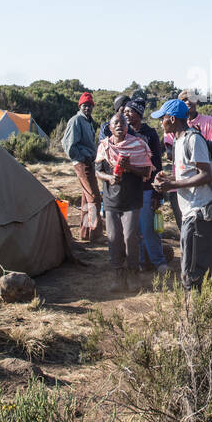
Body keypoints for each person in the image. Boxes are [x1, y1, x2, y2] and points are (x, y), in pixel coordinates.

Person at [152, 98, 212, 288]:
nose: (161, 122)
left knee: (193, 273)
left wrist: (175, 184)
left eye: (162, 118)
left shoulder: (193, 139)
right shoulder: (178, 142)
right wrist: (168, 182)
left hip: (199, 213)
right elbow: (187, 174)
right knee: (188, 269)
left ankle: (196, 313)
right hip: (189, 212)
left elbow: (206, 175)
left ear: (172, 119)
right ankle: (195, 310)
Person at [93, 111, 154, 290]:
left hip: (132, 199)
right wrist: (109, 178)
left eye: (122, 123)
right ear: (110, 128)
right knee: (113, 237)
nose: (119, 125)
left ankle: (134, 275)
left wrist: (130, 167)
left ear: (128, 127)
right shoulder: (104, 146)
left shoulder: (138, 145)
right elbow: (97, 171)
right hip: (111, 200)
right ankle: (118, 276)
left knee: (130, 237)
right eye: (115, 123)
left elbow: (146, 172)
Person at [124, 97, 168, 274]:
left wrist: (158, 193)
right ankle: (141, 262)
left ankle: (159, 262)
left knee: (148, 228)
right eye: (125, 111)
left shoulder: (149, 134)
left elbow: (157, 163)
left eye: (130, 111)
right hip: (129, 189)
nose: (126, 114)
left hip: (147, 189)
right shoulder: (123, 132)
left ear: (139, 114)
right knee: (133, 230)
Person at [61, 91, 103, 240]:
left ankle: (85, 234)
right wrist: (82, 157)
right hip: (82, 163)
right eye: (85, 105)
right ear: (80, 106)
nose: (88, 108)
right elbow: (67, 144)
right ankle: (96, 233)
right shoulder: (76, 120)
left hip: (88, 162)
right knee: (94, 197)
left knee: (87, 198)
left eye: (90, 106)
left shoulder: (88, 121)